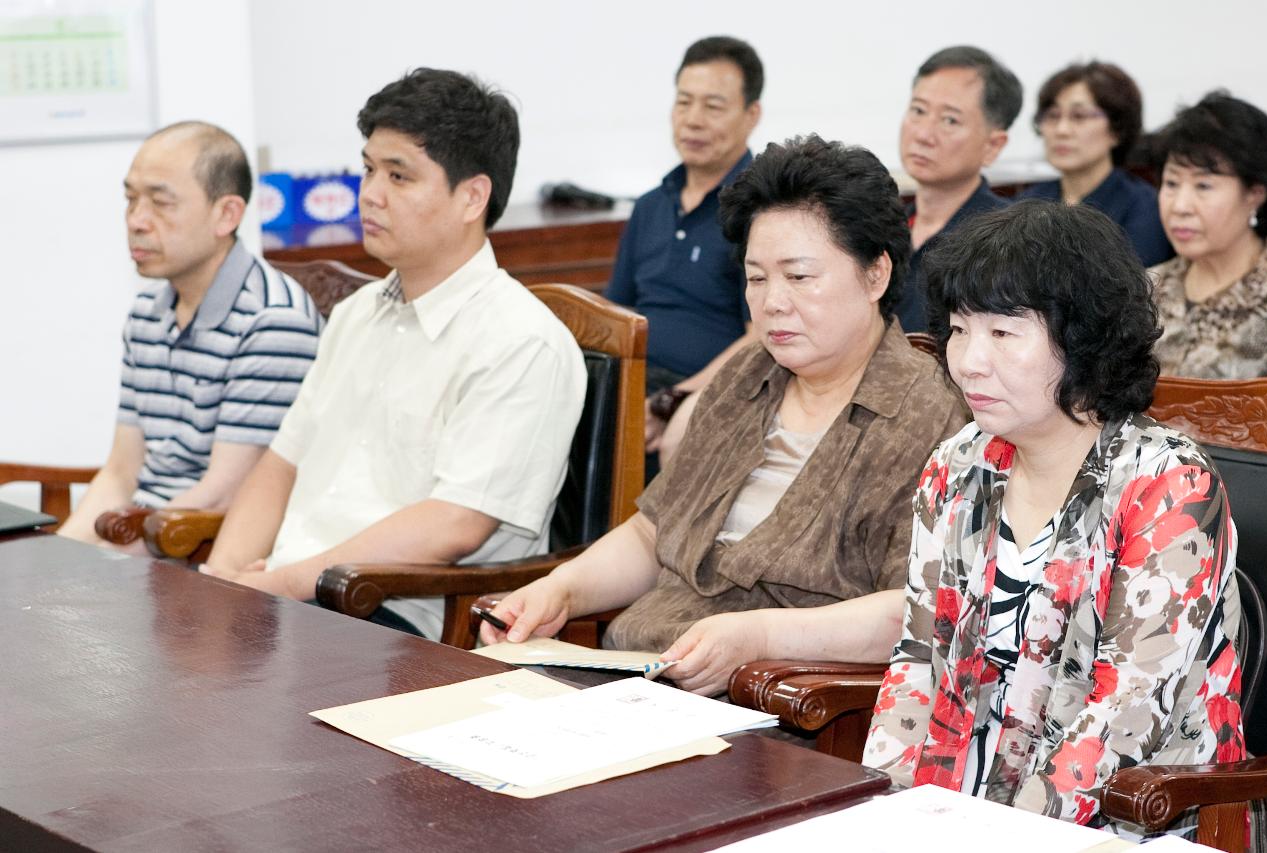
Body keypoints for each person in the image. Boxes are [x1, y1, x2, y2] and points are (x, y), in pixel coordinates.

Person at [482, 135, 970, 696]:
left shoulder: (937, 414)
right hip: (632, 673)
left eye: (799, 276)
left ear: (875, 275)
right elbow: (654, 532)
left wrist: (760, 636)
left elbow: (916, 610)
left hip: (773, 706)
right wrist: (560, 591)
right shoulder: (744, 378)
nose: (772, 302)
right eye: (756, 277)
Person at [864, 200, 1243, 835]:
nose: (969, 361)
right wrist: (886, 807)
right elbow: (917, 657)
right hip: (959, 810)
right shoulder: (960, 463)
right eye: (959, 329)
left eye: (1003, 333)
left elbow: (1124, 712)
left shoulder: (1168, 484)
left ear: (1083, 336)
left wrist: (1003, 835)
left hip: (1127, 820)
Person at [200, 69, 587, 639]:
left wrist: (281, 587)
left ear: (472, 196)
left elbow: (456, 524)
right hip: (293, 597)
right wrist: (225, 579)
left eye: (399, 176)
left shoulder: (520, 341)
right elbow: (282, 463)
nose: (370, 194)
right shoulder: (358, 312)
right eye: (368, 169)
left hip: (396, 618)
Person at [59, 122, 321, 547]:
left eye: (161, 203)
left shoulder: (272, 320)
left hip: (198, 550)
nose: (137, 221)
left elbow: (221, 495)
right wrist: (57, 560)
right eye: (130, 199)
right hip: (139, 540)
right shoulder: (148, 312)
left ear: (227, 214)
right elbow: (121, 473)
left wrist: (97, 570)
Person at [604, 36, 763, 473]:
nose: (693, 120)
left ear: (752, 115)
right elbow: (614, 313)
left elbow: (763, 336)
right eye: (683, 103)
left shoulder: (762, 210)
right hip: (633, 385)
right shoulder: (651, 205)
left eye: (712, 106)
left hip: (712, 395)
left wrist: (673, 401)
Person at [1148, 91, 1267, 378]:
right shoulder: (1142, 290)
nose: (1180, 206)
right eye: (1171, 183)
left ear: (1255, 194)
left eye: (1203, 186)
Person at [895, 45, 1022, 333]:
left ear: (993, 146)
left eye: (950, 120)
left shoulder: (1007, 242)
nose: (924, 134)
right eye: (918, 111)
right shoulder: (883, 226)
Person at [1020, 62, 1173, 266]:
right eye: (1053, 116)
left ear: (1117, 130)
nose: (1062, 130)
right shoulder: (1025, 203)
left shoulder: (1145, 209)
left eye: (1079, 116)